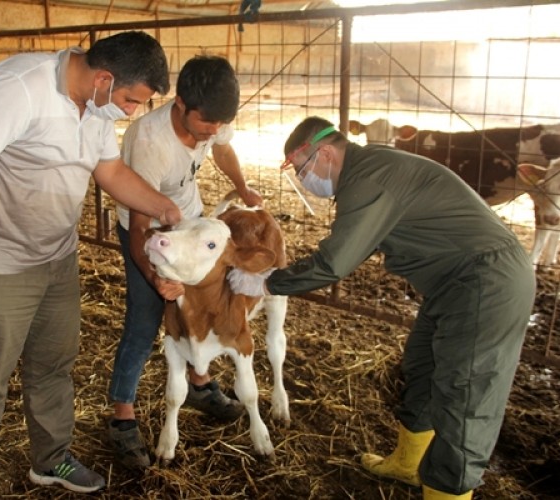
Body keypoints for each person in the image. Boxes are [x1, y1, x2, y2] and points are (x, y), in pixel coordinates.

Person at [0, 31, 182, 499]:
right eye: (129, 100)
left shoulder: (97, 107)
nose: (131, 111)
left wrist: (163, 206)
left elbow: (110, 171)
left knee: (53, 366)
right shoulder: (21, 86)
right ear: (104, 78)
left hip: (57, 259)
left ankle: (51, 458)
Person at [228, 116, 535, 499]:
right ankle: (409, 464)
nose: (305, 180)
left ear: (325, 152)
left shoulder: (369, 179)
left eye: (303, 169)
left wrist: (269, 281)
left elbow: (334, 263)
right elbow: (357, 245)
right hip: (454, 285)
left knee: (465, 397)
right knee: (422, 367)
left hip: (487, 284)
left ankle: (448, 491)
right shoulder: (370, 169)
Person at [108, 55, 263, 469]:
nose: (211, 132)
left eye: (218, 123)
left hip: (191, 225)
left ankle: (199, 383)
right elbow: (141, 226)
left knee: (202, 305)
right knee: (144, 319)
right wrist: (156, 279)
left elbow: (224, 146)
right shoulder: (149, 142)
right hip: (151, 232)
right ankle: (123, 417)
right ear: (180, 105)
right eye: (204, 125)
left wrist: (242, 187)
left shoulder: (213, 114)